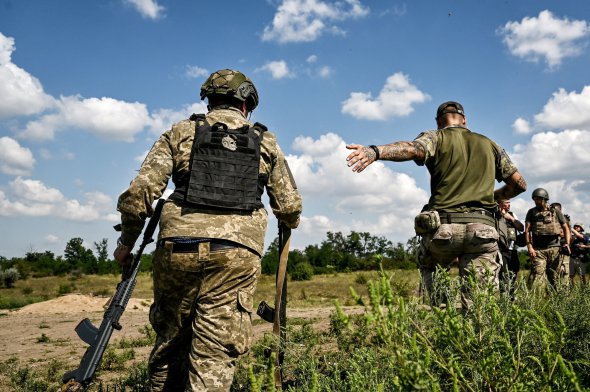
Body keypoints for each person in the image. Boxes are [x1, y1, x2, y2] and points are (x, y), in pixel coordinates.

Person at [114, 69, 302, 391]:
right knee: (214, 352)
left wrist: (126, 242)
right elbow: (289, 207)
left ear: (209, 100)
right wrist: (288, 222)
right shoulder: (265, 141)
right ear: (247, 104)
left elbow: (140, 194)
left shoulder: (180, 132)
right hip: (236, 256)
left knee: (170, 343)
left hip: (178, 248)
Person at [346, 101, 527, 307]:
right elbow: (519, 183)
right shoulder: (490, 144)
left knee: (433, 278)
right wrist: (492, 196)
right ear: (464, 120)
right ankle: (477, 333)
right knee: (480, 306)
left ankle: (441, 314)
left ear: (439, 121)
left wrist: (375, 151)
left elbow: (413, 149)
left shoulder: (435, 137)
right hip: (482, 231)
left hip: (444, 230)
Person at [524, 188, 571, 289]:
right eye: (534, 199)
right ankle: (539, 302)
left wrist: (567, 243)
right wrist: (529, 247)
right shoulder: (531, 212)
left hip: (555, 248)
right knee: (538, 277)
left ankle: (556, 301)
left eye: (538, 199)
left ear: (544, 199)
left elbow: (565, 228)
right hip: (538, 250)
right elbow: (527, 230)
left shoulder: (556, 211)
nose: (536, 201)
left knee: (556, 277)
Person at [497, 199, 524, 299]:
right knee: (503, 274)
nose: (509, 205)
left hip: (513, 250)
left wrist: (511, 218)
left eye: (509, 203)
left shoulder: (512, 214)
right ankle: (504, 297)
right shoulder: (495, 214)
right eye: (506, 202)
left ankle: (511, 296)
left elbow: (521, 228)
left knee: (513, 272)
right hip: (500, 250)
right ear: (500, 203)